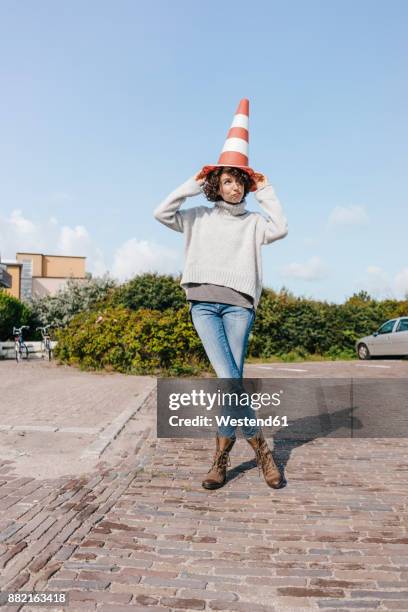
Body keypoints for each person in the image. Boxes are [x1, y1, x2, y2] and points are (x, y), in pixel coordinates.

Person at [153, 99, 288, 490]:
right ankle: (261, 448)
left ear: (246, 186)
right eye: (227, 180)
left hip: (239, 307)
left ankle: (220, 459)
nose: (233, 187)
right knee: (229, 378)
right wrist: (193, 184)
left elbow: (282, 225)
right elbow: (161, 212)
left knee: (230, 379)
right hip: (204, 305)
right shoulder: (197, 217)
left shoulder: (254, 224)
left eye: (240, 181)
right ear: (217, 184)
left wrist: (266, 188)